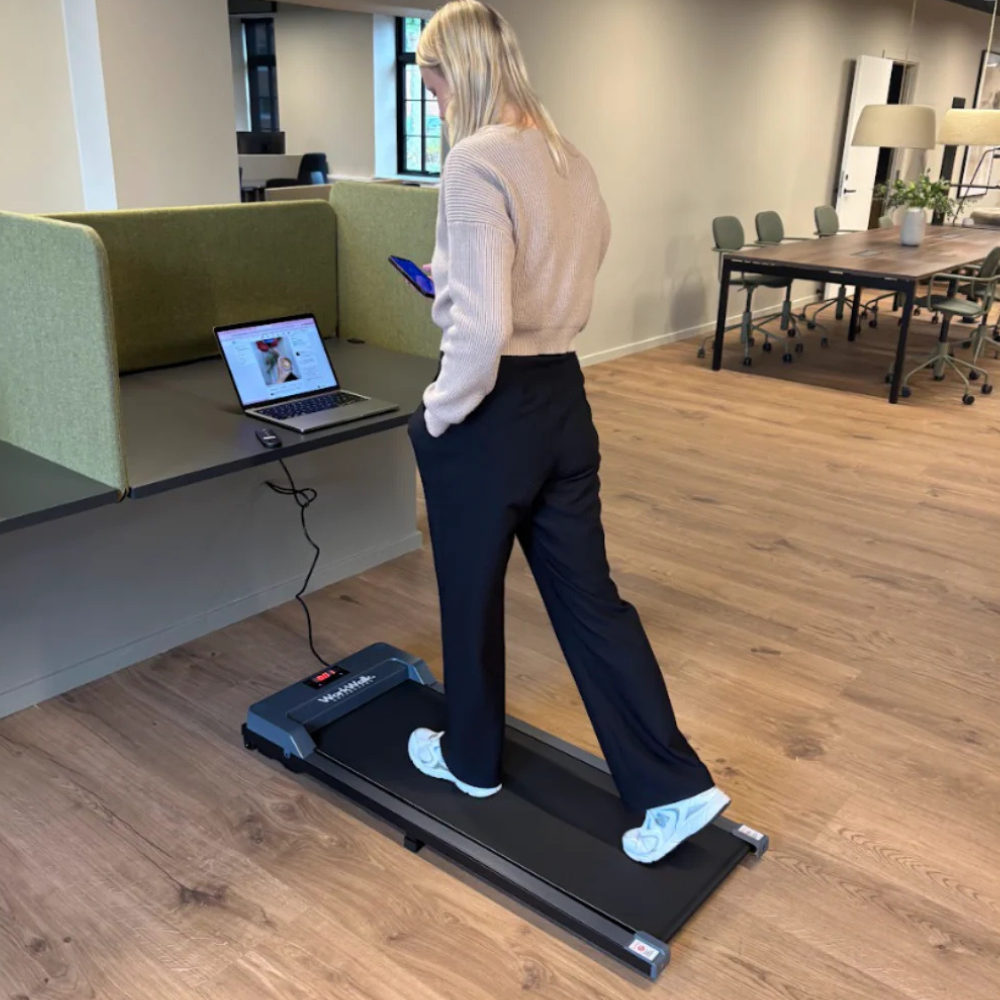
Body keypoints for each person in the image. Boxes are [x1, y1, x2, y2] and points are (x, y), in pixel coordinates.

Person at [405, 0, 728, 864]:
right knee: (592, 601)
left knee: (470, 595)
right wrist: (454, 278)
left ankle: (471, 761)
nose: (435, 101)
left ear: (457, 70)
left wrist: (437, 412)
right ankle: (674, 786)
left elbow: (481, 331)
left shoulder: (474, 161)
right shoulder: (567, 157)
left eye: (433, 84)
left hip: (492, 410)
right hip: (563, 400)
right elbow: (555, 273)